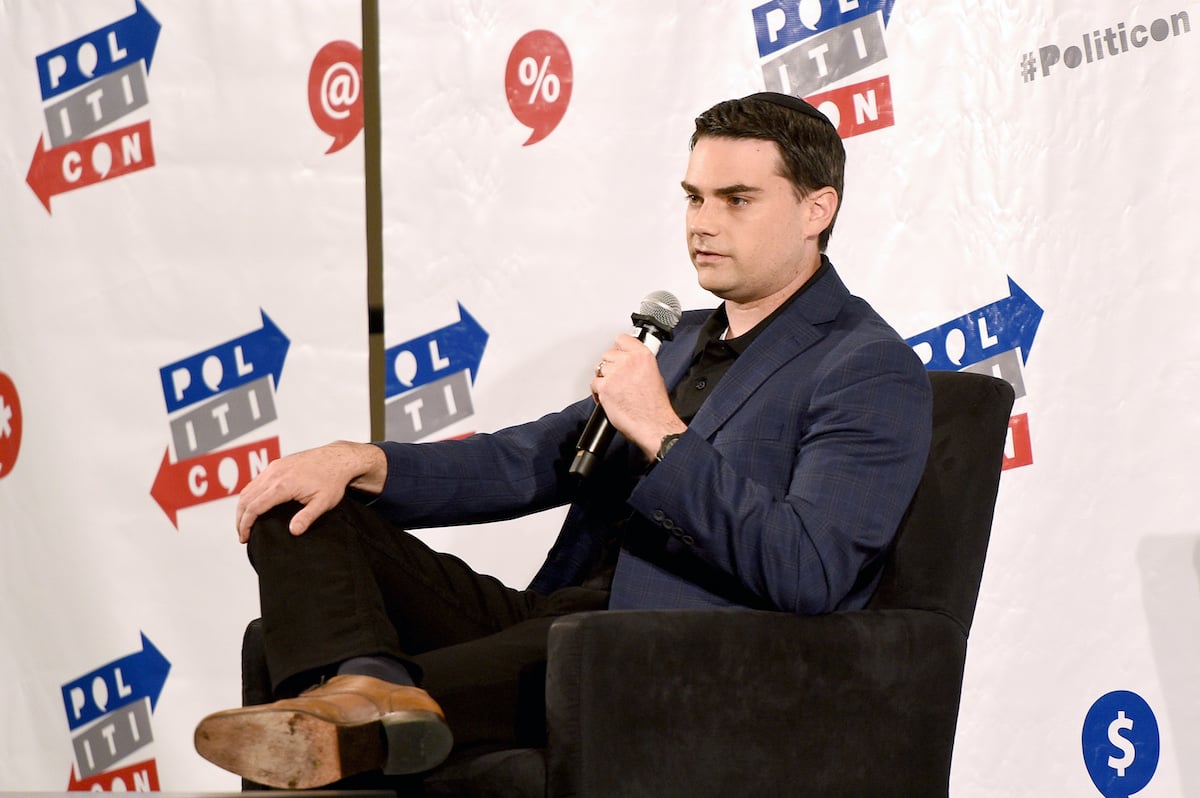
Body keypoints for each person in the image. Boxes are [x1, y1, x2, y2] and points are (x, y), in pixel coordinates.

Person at [193, 92, 932, 790]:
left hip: (656, 656)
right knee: (299, 509)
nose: (702, 224)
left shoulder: (865, 366)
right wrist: (366, 460)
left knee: (376, 691)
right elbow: (530, 459)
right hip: (555, 619)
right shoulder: (679, 345)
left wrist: (664, 436)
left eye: (737, 200)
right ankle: (364, 686)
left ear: (816, 209)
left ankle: (354, 707)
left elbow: (811, 570)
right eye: (694, 197)